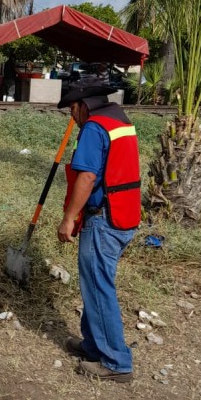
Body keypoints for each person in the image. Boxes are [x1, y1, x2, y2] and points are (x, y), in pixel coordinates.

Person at [57, 79, 141, 383]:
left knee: (98, 286)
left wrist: (69, 218)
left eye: (71, 108)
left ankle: (116, 362)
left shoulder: (94, 128)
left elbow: (87, 176)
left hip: (104, 219)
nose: (71, 116)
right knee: (98, 283)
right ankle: (93, 346)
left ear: (83, 105)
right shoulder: (120, 120)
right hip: (125, 214)